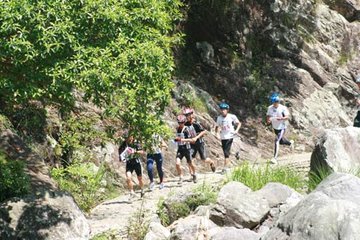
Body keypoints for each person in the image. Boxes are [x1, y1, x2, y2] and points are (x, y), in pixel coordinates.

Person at [183, 107, 216, 172]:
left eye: (188, 115)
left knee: (203, 159)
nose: (187, 117)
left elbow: (204, 132)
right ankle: (192, 174)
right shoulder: (185, 124)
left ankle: (211, 162)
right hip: (192, 144)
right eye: (186, 115)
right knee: (189, 159)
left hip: (200, 143)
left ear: (191, 114)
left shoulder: (196, 123)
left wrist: (196, 137)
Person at [266, 93, 294, 164]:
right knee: (281, 141)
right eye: (274, 102)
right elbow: (268, 116)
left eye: (277, 101)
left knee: (276, 141)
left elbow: (287, 117)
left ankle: (274, 158)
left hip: (282, 127)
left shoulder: (283, 108)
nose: (276, 103)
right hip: (275, 127)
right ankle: (290, 143)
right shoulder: (270, 108)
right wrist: (268, 120)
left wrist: (281, 118)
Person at [215, 102, 241, 172]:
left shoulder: (232, 116)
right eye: (221, 109)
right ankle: (236, 153)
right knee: (225, 152)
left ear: (227, 110)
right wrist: (217, 133)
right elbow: (217, 126)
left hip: (230, 136)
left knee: (226, 154)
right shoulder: (219, 118)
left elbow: (239, 123)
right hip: (223, 137)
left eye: (224, 109)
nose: (223, 111)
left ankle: (225, 168)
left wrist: (236, 131)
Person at [119, 134, 145, 199]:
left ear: (132, 137)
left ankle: (142, 190)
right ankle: (131, 192)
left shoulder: (136, 144)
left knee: (140, 178)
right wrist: (122, 158)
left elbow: (142, 152)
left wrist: (135, 151)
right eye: (127, 137)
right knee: (128, 178)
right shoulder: (123, 145)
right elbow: (120, 154)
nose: (129, 139)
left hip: (136, 163)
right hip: (129, 163)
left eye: (130, 137)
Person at [174, 114, 197, 184]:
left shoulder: (187, 129)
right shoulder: (178, 129)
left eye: (182, 123)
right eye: (179, 123)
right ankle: (181, 177)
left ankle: (194, 174)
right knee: (177, 163)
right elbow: (178, 138)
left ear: (184, 122)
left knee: (190, 163)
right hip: (180, 148)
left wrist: (181, 140)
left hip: (187, 149)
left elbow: (191, 140)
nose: (180, 124)